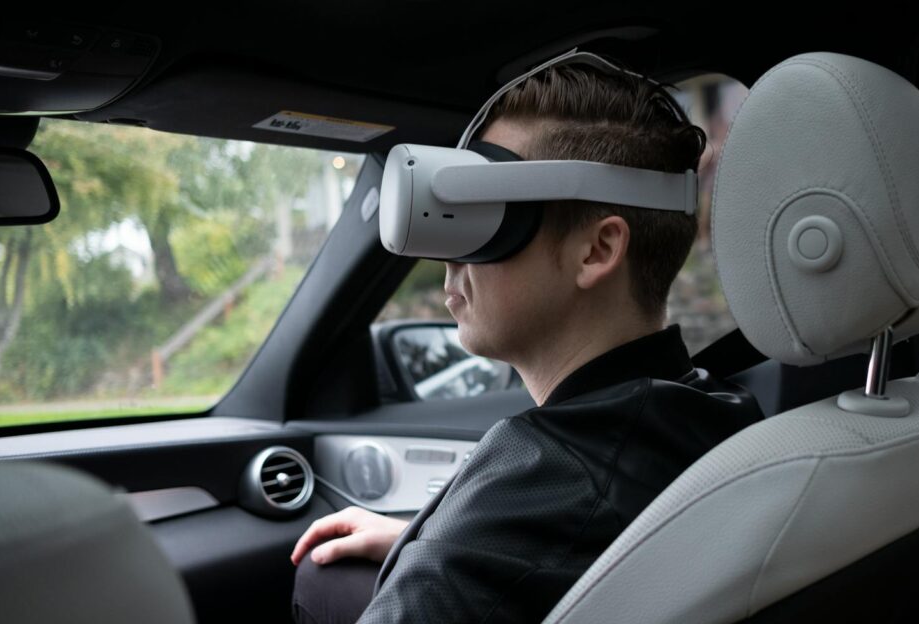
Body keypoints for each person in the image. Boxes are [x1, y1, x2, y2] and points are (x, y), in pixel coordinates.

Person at [290, 55, 764, 624]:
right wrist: (421, 536)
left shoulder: (526, 495)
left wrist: (450, 546)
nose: (447, 257)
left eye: (487, 216)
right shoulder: (717, 408)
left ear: (596, 250)